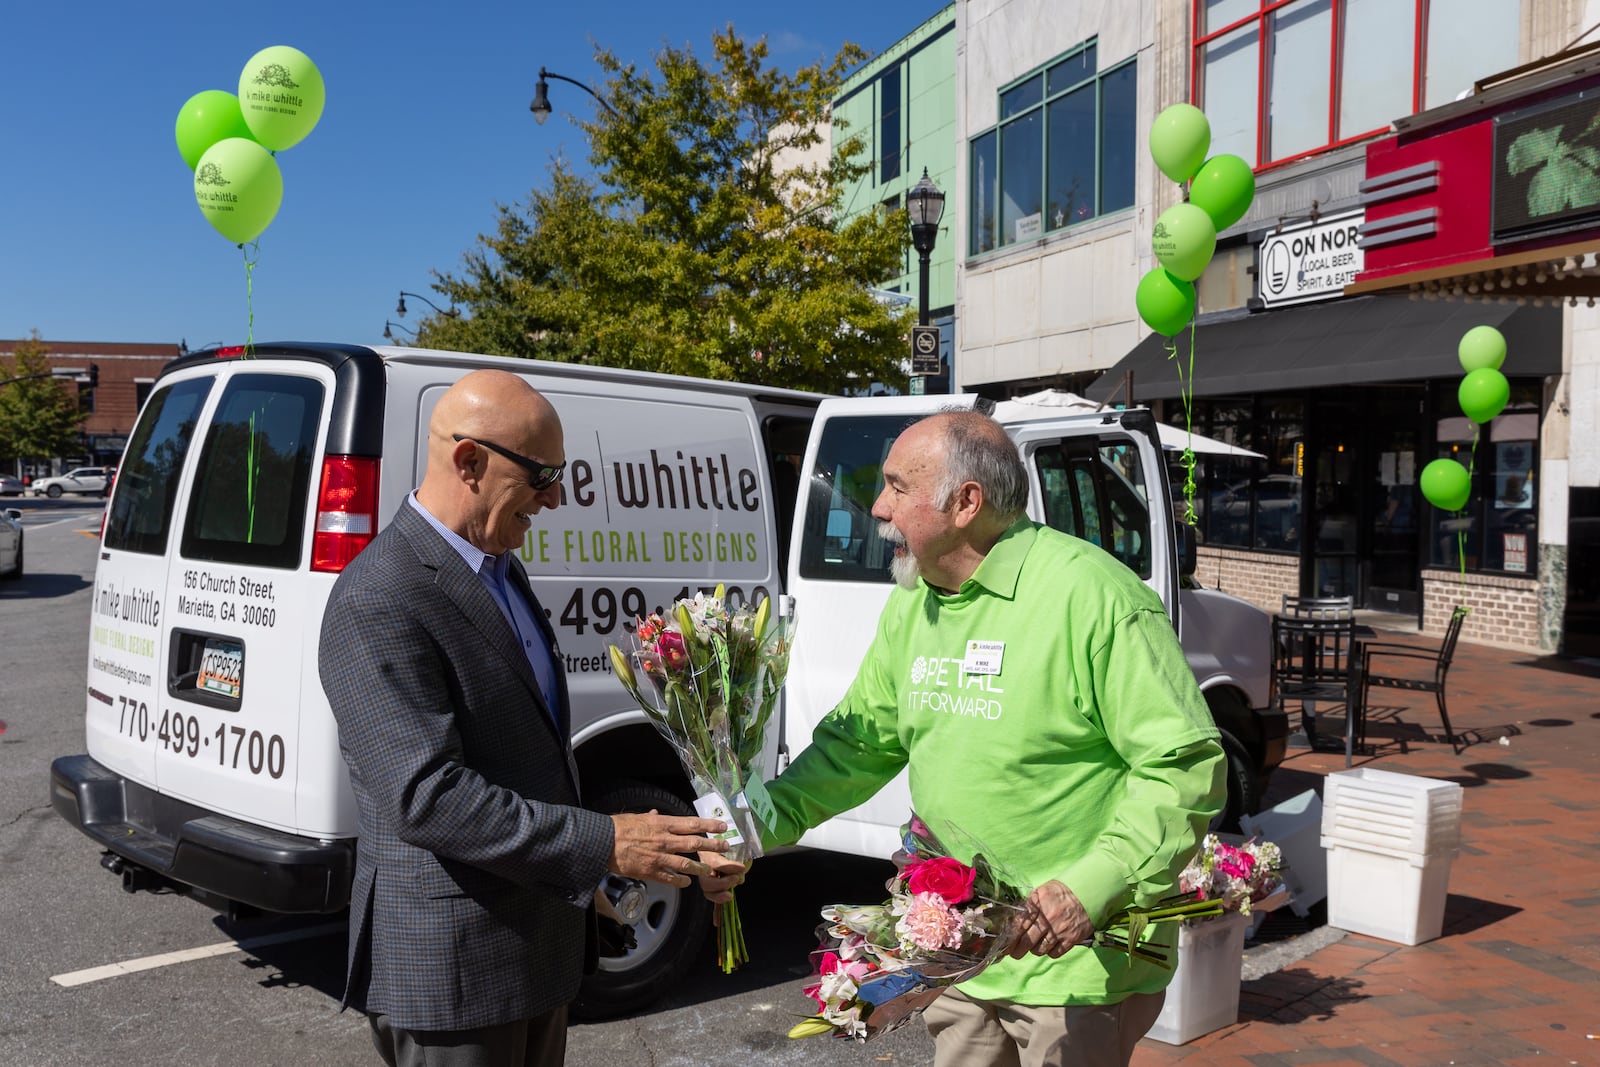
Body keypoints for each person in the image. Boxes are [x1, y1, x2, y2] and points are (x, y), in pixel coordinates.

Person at [704, 409, 1226, 1067]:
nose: (877, 507)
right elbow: (858, 746)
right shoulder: (914, 601)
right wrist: (755, 824)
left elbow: (1184, 765)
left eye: (896, 485)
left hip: (1073, 967)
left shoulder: (1095, 598)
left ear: (965, 502)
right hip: (957, 955)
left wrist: (1095, 883)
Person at [320, 369, 730, 1067]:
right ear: (469, 461)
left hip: (535, 956)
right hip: (453, 979)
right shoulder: (378, 598)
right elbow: (427, 797)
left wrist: (584, 878)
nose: (556, 496)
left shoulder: (499, 566)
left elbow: (529, 755)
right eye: (541, 474)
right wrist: (601, 843)